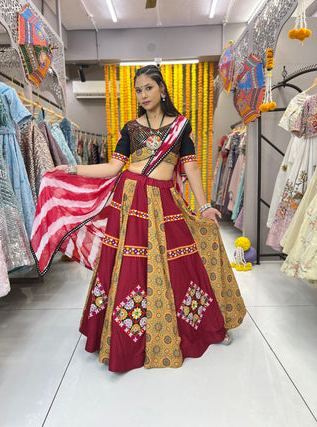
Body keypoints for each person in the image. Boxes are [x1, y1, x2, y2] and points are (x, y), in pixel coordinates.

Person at [31, 65, 246, 372]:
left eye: (148, 87)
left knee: (182, 260)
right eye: (138, 90)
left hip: (165, 200)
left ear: (162, 89)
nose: (143, 94)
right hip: (129, 202)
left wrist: (204, 205)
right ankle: (126, 338)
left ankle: (199, 327)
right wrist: (69, 170)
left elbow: (191, 168)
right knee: (128, 267)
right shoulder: (130, 129)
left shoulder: (181, 126)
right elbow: (112, 168)